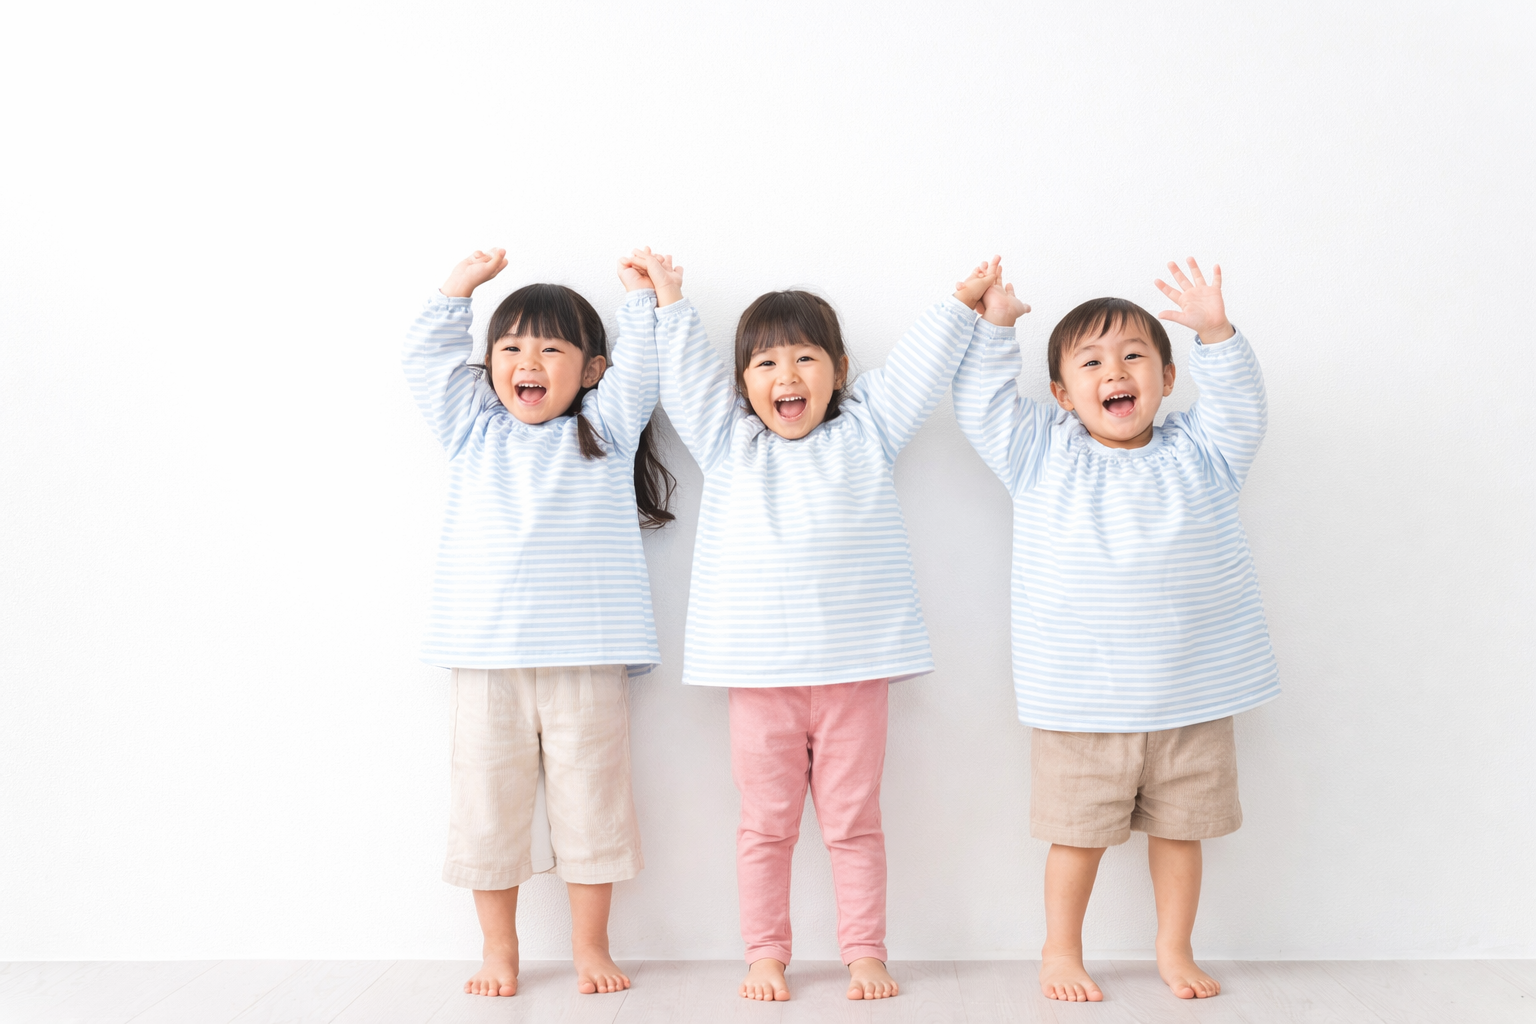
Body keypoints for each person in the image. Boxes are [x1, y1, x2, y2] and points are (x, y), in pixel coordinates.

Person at [636, 246, 1000, 1002]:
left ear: (839, 371)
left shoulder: (867, 430)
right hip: (759, 682)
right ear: (743, 384)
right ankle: (765, 955)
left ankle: (864, 953)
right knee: (765, 827)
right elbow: (689, 377)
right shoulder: (727, 440)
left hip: (854, 676)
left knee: (854, 824)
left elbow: (917, 369)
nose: (788, 376)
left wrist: (961, 304)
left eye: (806, 358)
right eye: (766, 363)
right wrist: (670, 299)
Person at [952, 258, 1278, 1002]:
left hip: (1191, 697)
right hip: (1081, 704)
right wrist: (996, 327)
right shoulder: (1042, 451)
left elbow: (1243, 409)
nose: (1116, 372)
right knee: (1077, 838)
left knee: (1182, 833)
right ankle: (1060, 950)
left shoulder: (1205, 452)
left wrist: (1217, 334)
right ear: (1062, 394)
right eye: (1092, 362)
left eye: (1134, 355)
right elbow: (981, 408)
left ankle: (1174, 948)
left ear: (1167, 376)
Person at [402, 248, 675, 997]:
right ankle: (499, 949)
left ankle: (591, 946)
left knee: (594, 807)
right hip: (486, 660)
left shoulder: (606, 429)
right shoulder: (473, 429)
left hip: (587, 659)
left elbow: (642, 371)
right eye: (512, 348)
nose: (528, 362)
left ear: (591, 371)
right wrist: (457, 291)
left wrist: (641, 300)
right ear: (490, 364)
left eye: (551, 349)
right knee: (486, 810)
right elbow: (424, 363)